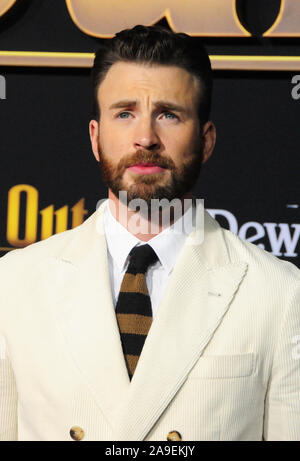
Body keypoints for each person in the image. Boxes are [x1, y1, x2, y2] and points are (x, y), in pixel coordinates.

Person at [0, 25, 299, 442]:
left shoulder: (279, 293)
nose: (146, 138)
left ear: (206, 140)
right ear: (95, 137)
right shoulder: (14, 283)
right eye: (125, 113)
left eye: (168, 114)